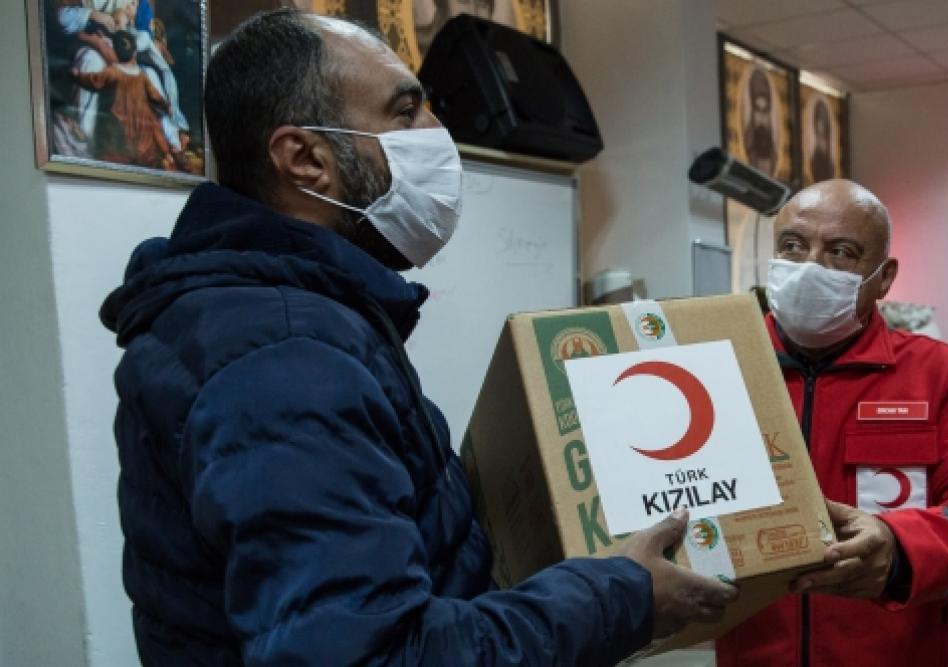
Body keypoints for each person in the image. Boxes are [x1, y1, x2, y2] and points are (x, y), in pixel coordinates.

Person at [99, 9, 735, 665]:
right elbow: (377, 653)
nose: (438, 136)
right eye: (405, 115)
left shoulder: (286, 317)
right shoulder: (284, 357)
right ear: (306, 159)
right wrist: (619, 596)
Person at [716, 180, 948, 666]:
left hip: (899, 651)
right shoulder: (720, 369)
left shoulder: (940, 375)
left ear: (884, 278)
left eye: (841, 252)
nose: (810, 268)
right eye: (793, 246)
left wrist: (900, 550)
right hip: (755, 652)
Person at [72, 30, 174, 169]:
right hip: (141, 120)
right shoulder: (141, 75)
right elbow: (154, 95)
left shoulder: (113, 72)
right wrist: (165, 106)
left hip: (119, 120)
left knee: (119, 149)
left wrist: (78, 75)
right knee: (143, 147)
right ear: (134, 53)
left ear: (115, 52)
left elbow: (94, 81)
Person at [743, 66, 777, 177]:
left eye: (765, 111)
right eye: (758, 110)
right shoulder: (749, 140)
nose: (762, 118)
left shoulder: (773, 152)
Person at [808, 98, 835, 183]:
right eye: (818, 119)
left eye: (823, 120)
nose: (820, 124)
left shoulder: (830, 159)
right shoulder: (814, 157)